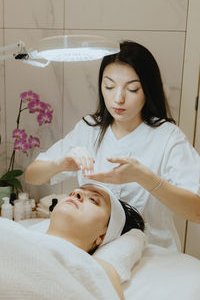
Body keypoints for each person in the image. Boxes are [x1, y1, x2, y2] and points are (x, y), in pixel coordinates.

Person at [25, 40, 200, 252]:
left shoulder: (167, 137)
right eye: (109, 86)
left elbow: (196, 211)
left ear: (148, 90)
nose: (118, 98)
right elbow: (32, 176)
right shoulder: (90, 129)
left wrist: (145, 178)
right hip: (94, 251)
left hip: (152, 256)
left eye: (133, 89)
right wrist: (60, 164)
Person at [43, 182, 145, 300]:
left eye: (93, 199)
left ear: (102, 236)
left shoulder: (100, 270)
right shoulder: (21, 233)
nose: (76, 193)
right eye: (72, 193)